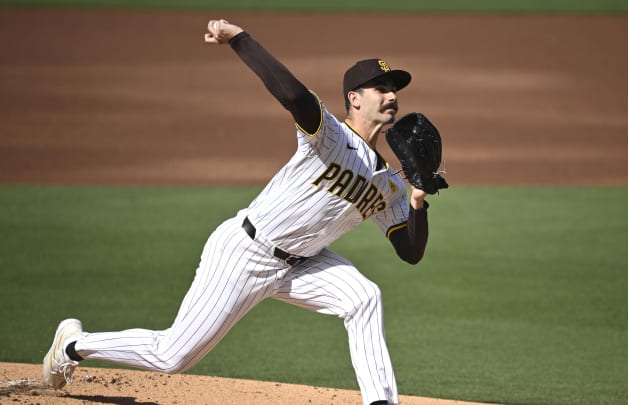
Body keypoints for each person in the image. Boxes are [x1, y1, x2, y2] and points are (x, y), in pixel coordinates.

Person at [43, 19, 435, 405]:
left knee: (364, 297)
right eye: (381, 89)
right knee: (172, 356)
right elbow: (293, 95)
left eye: (394, 90)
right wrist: (240, 40)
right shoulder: (330, 134)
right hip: (245, 252)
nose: (392, 96)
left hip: (302, 265)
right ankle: (74, 345)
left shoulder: (390, 183)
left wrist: (418, 202)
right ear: (354, 98)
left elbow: (410, 251)